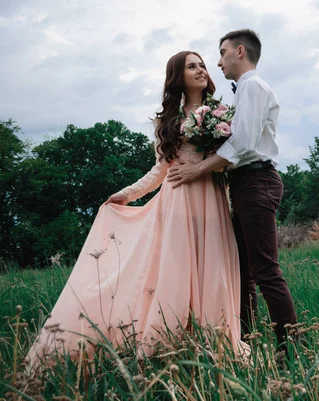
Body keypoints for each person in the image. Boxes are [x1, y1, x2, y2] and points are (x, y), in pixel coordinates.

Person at [26, 51, 247, 365]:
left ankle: (215, 343)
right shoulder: (167, 120)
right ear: (177, 76)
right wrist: (126, 194)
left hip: (211, 198)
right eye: (191, 66)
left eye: (202, 65)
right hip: (177, 201)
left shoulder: (222, 113)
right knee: (177, 272)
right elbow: (159, 171)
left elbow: (231, 157)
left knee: (212, 271)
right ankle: (170, 344)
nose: (201, 70)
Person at [166, 29, 298, 354]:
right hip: (244, 183)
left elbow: (242, 143)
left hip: (257, 181)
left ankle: (292, 351)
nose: (218, 61)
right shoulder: (243, 91)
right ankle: (244, 344)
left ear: (239, 52)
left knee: (265, 270)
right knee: (244, 273)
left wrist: (197, 168)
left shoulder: (252, 87)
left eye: (222, 52)